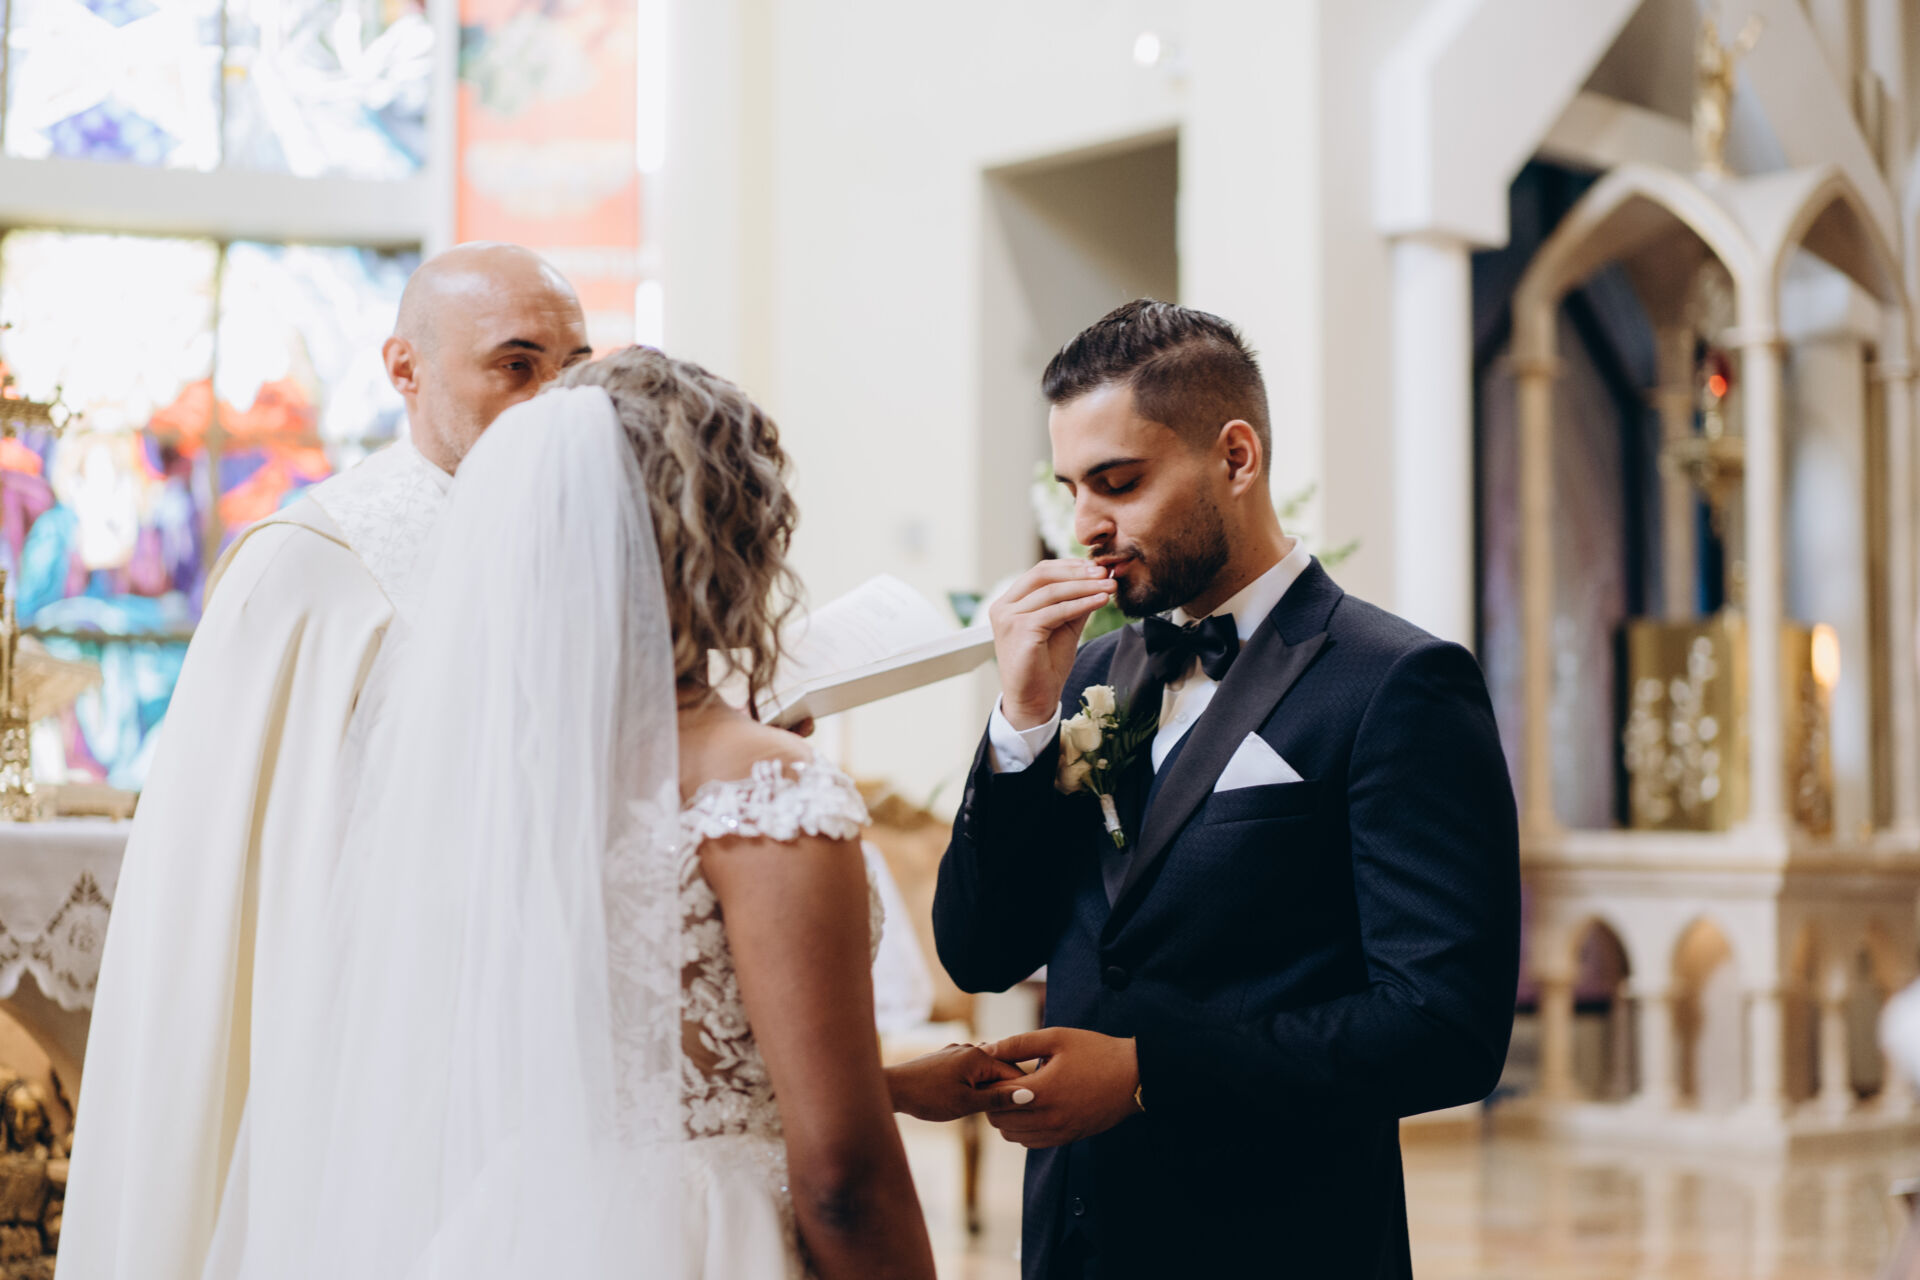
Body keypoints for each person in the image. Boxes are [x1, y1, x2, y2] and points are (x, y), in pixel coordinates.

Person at [207, 347, 1005, 1278]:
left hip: (524, 1230)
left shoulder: (487, 774)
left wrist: (890, 1085)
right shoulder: (764, 788)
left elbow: (603, 1069)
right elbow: (843, 1182)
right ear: (734, 540)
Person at [934, 299, 1521, 1278]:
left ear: (1236, 458)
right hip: (1077, 1240)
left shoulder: (1397, 683)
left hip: (1279, 1243)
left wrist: (1147, 1072)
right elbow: (981, 951)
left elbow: (1445, 1028)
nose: (1084, 527)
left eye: (1118, 482)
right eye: (1072, 488)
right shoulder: (1090, 674)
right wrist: (1023, 717)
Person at [61, 243, 593, 1280]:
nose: (553, 402)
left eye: (573, 368)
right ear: (405, 369)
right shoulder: (314, 565)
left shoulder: (581, 543)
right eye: (516, 365)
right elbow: (249, 876)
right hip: (365, 1031)